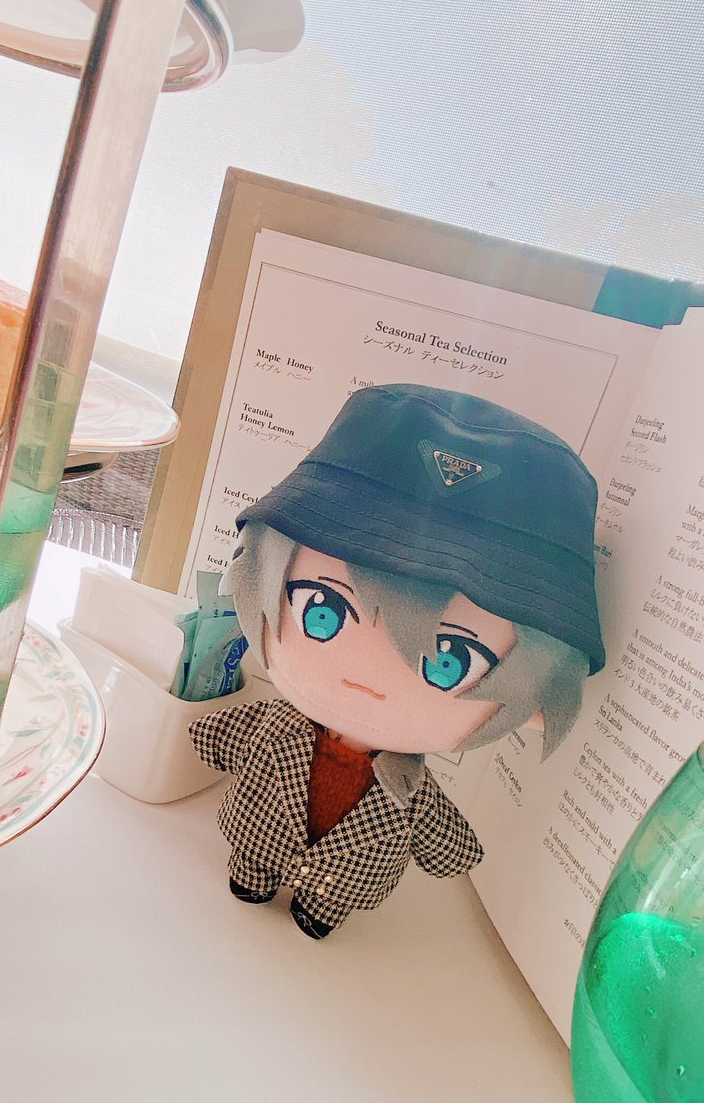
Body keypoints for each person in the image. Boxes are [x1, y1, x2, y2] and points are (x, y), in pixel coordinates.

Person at [190, 384, 604, 938]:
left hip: (341, 887)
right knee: (250, 865)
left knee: (327, 903)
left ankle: (319, 909)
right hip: (254, 845)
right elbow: (214, 738)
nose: (367, 680)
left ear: (535, 706)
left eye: (448, 661)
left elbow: (445, 844)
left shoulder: (409, 789)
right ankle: (253, 876)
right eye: (322, 610)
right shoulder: (272, 729)